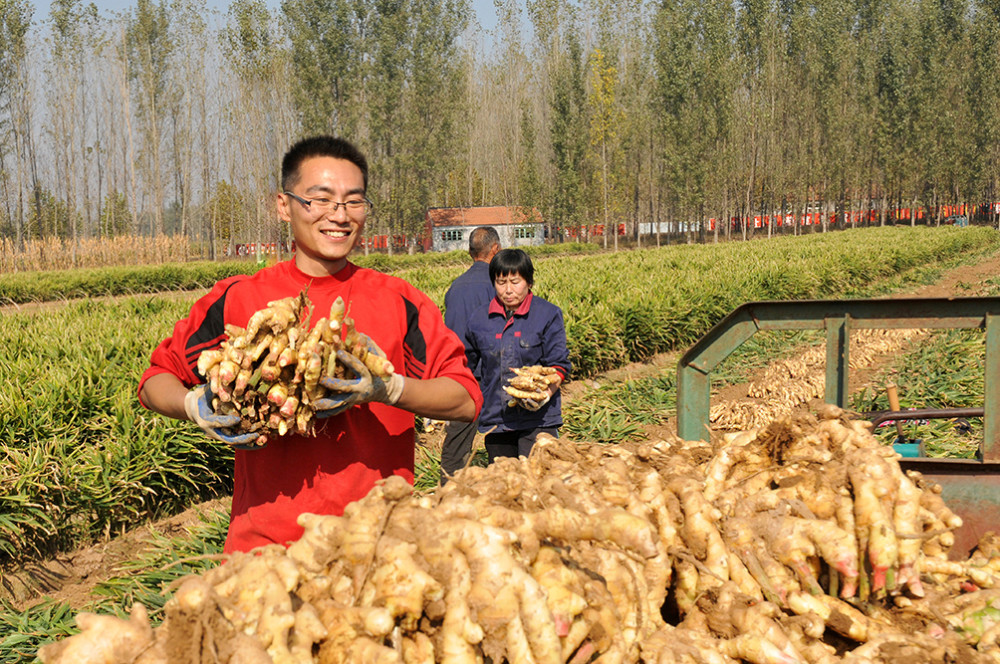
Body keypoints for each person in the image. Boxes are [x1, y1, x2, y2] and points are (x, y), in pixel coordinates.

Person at [138, 136, 481, 554]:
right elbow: (155, 380)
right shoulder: (239, 298)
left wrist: (388, 388)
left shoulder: (398, 300)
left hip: (378, 547)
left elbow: (465, 399)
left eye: (353, 202)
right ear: (283, 205)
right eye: (319, 199)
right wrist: (195, 406)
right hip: (265, 549)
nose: (339, 215)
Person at [464, 248, 571, 462]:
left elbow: (559, 366)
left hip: (539, 419)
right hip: (496, 418)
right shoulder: (479, 319)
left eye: (515, 281)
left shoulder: (547, 314)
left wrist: (544, 396)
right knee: (506, 484)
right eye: (501, 282)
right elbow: (466, 365)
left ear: (529, 282)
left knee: (540, 479)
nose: (508, 290)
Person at [439, 226, 501, 482]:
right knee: (502, 439)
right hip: (493, 374)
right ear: (495, 250)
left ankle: (447, 491)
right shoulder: (498, 284)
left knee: (457, 444)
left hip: (461, 375)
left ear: (469, 252)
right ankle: (504, 487)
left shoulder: (455, 287)